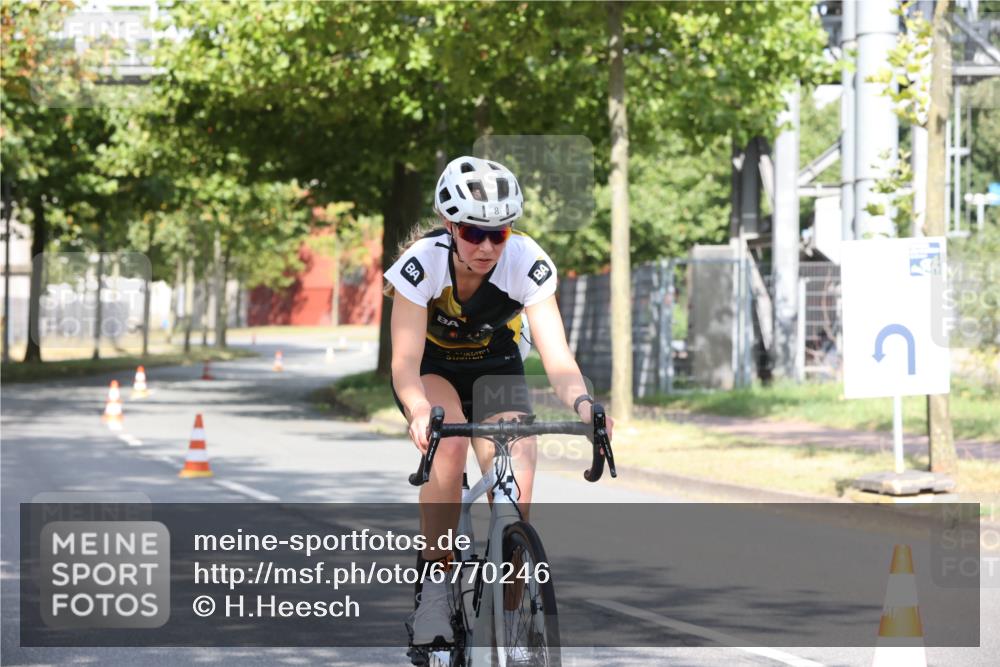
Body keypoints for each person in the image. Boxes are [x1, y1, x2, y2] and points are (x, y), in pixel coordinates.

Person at [384, 156, 614, 646]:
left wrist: (584, 407)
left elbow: (558, 360)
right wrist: (420, 411)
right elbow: (404, 362)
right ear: (450, 226)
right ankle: (435, 589)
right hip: (433, 370)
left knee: (516, 485)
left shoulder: (525, 262)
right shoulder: (421, 263)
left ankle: (509, 618)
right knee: (446, 448)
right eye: (473, 233)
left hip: (496, 368)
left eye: (499, 233)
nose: (487, 245)